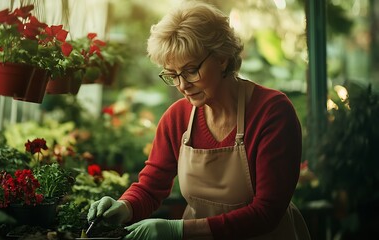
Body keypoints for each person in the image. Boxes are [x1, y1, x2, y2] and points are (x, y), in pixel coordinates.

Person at [88, 1, 311, 239]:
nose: (182, 85)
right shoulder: (177, 118)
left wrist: (178, 230)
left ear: (222, 58)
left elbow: (266, 213)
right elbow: (151, 188)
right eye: (173, 75)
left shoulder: (272, 112)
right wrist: (124, 207)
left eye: (191, 70)